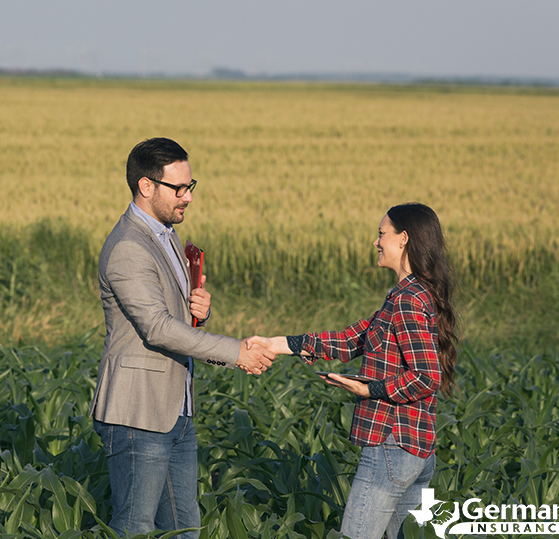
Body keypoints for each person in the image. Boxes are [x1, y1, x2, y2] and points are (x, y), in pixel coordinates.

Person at [89, 137, 276, 538]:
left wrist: (198, 312)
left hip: (177, 409)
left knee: (183, 528)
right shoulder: (127, 247)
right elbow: (157, 328)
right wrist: (235, 352)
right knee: (134, 528)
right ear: (146, 186)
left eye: (191, 186)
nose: (188, 197)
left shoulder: (166, 235)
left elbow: (175, 321)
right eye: (179, 188)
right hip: (139, 413)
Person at [249, 203, 458, 539]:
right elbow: (353, 339)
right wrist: (278, 343)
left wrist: (368, 390)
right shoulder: (412, 294)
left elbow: (426, 376)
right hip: (416, 448)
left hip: (392, 444)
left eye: (381, 234)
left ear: (403, 239)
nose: (376, 242)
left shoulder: (407, 300)